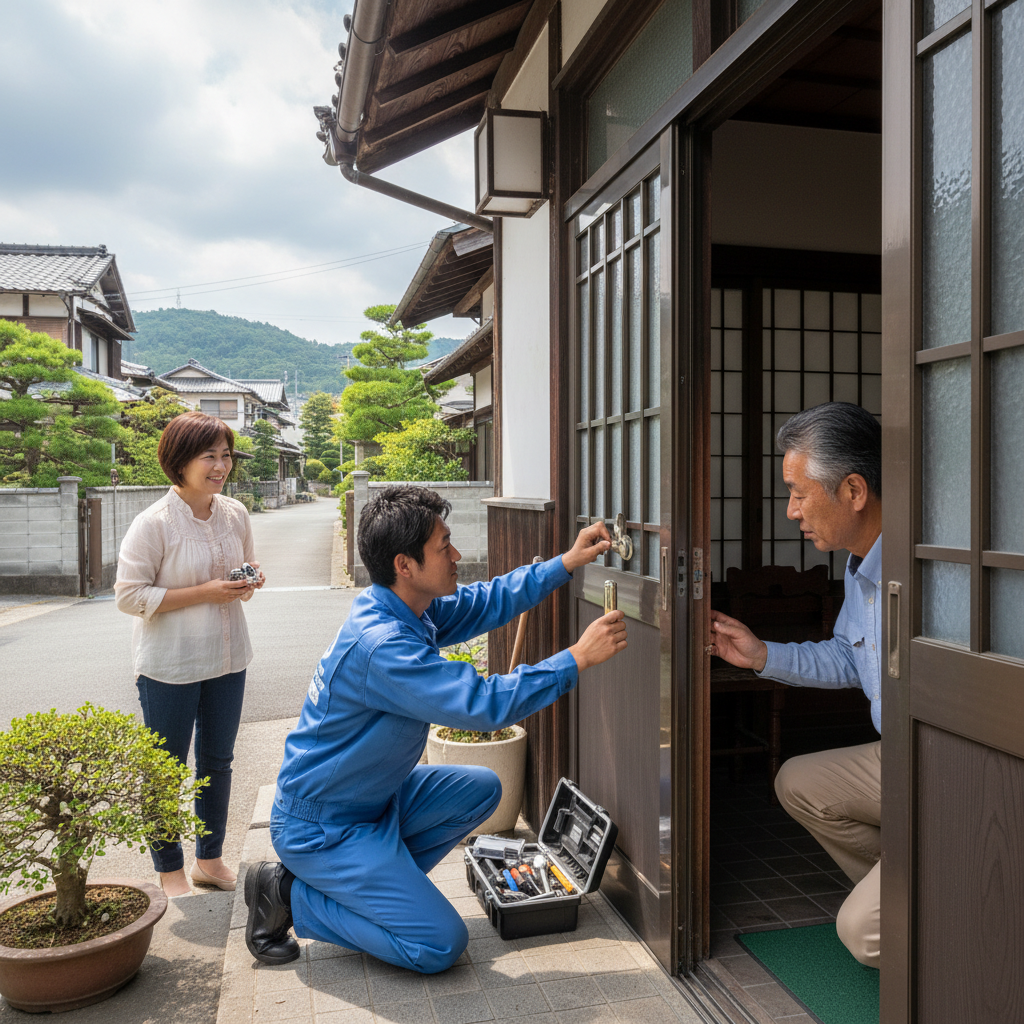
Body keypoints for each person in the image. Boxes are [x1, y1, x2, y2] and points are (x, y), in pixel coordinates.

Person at [245, 484, 628, 971]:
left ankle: (379, 888)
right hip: (324, 827)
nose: (456, 554)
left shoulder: (401, 607)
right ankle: (286, 893)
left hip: (374, 800)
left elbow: (487, 601)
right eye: (443, 546)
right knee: (439, 944)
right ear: (404, 565)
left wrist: (567, 562)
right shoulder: (384, 645)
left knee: (483, 787)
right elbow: (483, 704)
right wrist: (576, 658)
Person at [707, 402, 882, 968]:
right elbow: (849, 660)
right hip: (900, 757)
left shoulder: (926, 568)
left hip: (949, 765)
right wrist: (760, 655)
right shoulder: (859, 568)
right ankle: (926, 889)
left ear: (853, 490)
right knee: (800, 781)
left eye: (799, 493)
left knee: (864, 933)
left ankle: (952, 909)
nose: (790, 511)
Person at [115, 410, 265, 898]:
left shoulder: (236, 513)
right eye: (210, 456)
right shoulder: (153, 523)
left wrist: (249, 581)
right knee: (166, 769)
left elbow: (244, 567)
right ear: (179, 461)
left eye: (226, 456)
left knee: (217, 760)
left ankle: (209, 858)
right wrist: (205, 591)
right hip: (169, 666)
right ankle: (169, 870)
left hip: (227, 657)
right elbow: (128, 596)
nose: (221, 466)